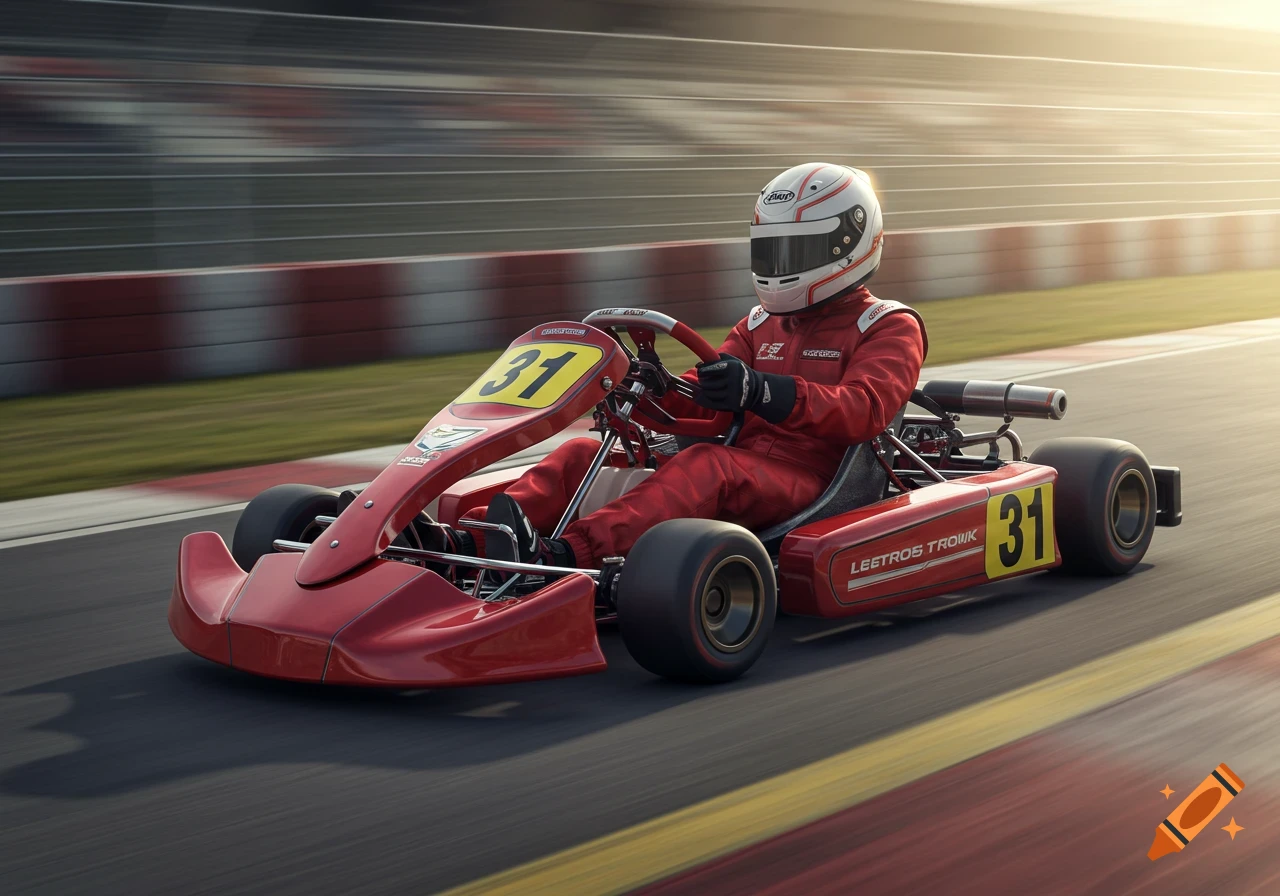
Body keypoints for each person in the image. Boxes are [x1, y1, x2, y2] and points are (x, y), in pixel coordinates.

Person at [479, 162, 928, 570]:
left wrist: (761, 390)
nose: (781, 265)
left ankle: (564, 555)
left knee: (706, 465)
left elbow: (864, 410)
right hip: (741, 462)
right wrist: (651, 386)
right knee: (578, 454)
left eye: (798, 250)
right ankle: (476, 538)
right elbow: (709, 398)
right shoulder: (759, 325)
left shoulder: (888, 325)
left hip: (817, 483)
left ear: (848, 242)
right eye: (774, 251)